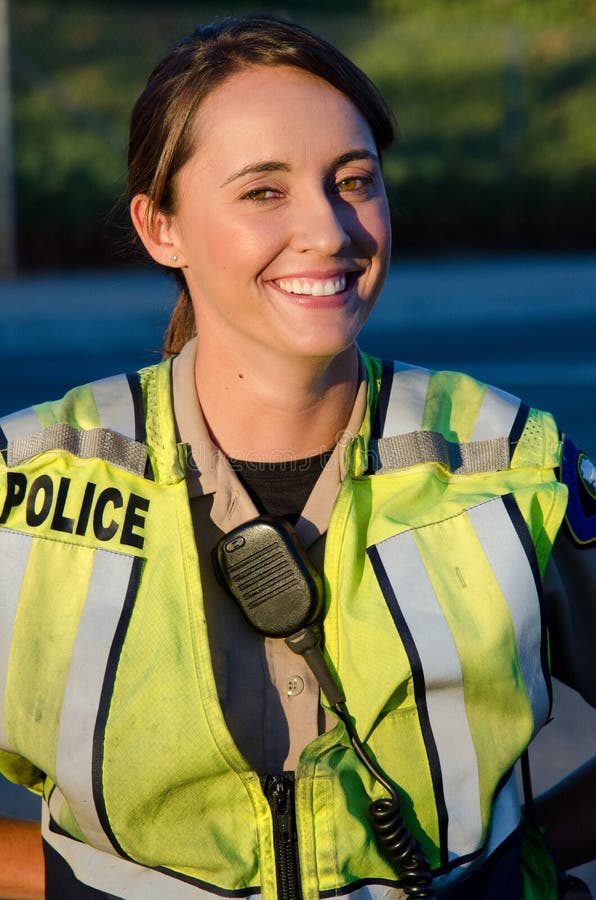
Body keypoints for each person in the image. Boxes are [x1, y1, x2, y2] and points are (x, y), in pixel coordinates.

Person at [0, 13, 594, 900]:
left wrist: (514, 856)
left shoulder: (512, 463)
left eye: (354, 181)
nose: (330, 230)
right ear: (161, 227)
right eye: (264, 192)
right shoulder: (27, 483)